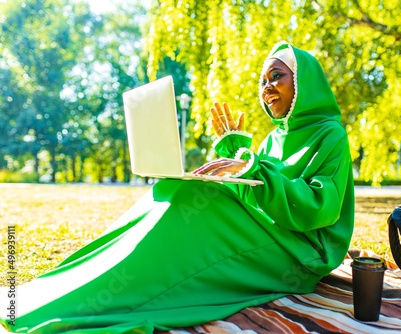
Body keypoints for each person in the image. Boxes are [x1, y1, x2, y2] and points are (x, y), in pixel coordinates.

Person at [0, 41, 354, 334]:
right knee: (174, 190)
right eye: (263, 81)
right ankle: (69, 289)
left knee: (195, 203)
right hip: (271, 232)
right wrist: (236, 151)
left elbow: (318, 206)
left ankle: (102, 301)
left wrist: (250, 165)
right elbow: (256, 185)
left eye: (276, 76)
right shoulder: (275, 137)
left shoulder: (331, 135)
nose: (267, 88)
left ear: (304, 83)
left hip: (301, 253)